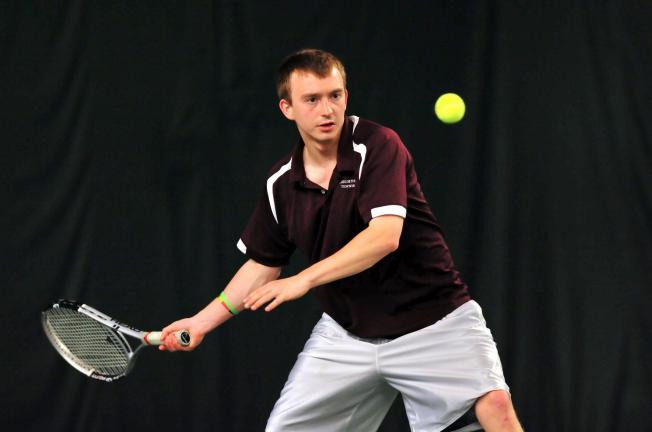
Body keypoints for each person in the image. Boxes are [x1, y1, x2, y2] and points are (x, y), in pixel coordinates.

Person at [160, 48, 523, 432]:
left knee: (496, 406)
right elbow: (263, 264)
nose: (326, 109)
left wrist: (304, 279)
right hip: (348, 334)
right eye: (312, 100)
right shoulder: (281, 183)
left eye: (335, 95)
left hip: (434, 320)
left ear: (346, 97)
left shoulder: (378, 145)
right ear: (287, 108)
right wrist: (201, 322)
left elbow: (384, 237)